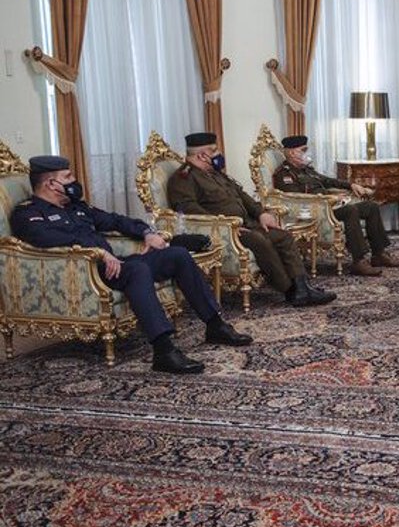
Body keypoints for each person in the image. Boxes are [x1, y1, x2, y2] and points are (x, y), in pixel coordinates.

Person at [10, 155, 252, 374]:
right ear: (51, 184)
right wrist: (97, 252)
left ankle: (215, 325)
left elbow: (116, 220)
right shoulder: (28, 214)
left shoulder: (77, 207)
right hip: (85, 272)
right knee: (138, 269)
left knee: (177, 255)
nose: (74, 181)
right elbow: (44, 238)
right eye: (68, 177)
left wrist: (147, 233)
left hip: (116, 266)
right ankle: (164, 351)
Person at [167, 132, 335, 306]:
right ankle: (290, 289)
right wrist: (225, 226)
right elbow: (188, 209)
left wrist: (261, 213)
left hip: (247, 223)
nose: (219, 155)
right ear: (202, 155)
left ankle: (302, 287)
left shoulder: (215, 174)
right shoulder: (183, 178)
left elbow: (242, 195)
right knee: (259, 240)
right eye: (215, 151)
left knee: (283, 236)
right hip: (226, 231)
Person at [272, 135, 399, 277]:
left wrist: (351, 185)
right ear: (292, 153)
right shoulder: (284, 174)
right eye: (303, 150)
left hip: (329, 206)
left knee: (371, 206)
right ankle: (359, 261)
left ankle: (379, 254)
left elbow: (328, 181)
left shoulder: (307, 170)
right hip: (314, 211)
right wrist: (330, 198)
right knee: (350, 210)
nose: (306, 154)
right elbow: (296, 198)